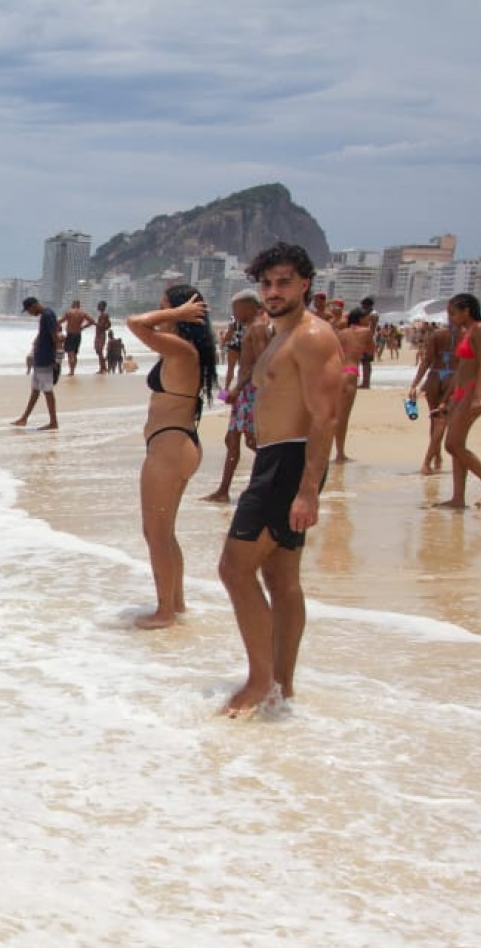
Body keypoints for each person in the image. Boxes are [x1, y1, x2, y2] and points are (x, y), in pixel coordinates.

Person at [217, 242, 340, 716]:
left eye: (284, 281)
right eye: (267, 283)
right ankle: (281, 686)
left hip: (290, 464)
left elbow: (324, 417)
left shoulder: (311, 336)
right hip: (274, 457)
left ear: (305, 283)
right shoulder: (276, 335)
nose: (273, 291)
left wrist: (308, 491)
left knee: (234, 567)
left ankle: (259, 681)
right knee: (281, 576)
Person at [127, 286, 215, 629]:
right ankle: (175, 604)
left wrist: (175, 315)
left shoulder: (181, 348)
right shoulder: (184, 350)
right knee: (165, 532)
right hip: (175, 444)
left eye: (162, 307)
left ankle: (165, 611)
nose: (157, 312)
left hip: (170, 446)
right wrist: (174, 315)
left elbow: (135, 323)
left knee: (155, 533)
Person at [438, 293, 481, 510]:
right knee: (458, 447)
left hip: (475, 389)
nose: (451, 317)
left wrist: (477, 395)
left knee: (452, 444)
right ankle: (458, 498)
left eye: (453, 313)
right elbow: (462, 368)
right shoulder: (466, 332)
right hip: (461, 391)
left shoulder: (480, 329)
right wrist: (447, 398)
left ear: (466, 310)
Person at [204, 290, 268, 503]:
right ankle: (224, 490)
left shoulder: (257, 328)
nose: (234, 313)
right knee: (233, 439)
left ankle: (271, 479)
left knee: (249, 440)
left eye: (236, 309)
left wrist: (238, 388)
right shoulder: (250, 327)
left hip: (250, 391)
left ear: (249, 307)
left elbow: (261, 362)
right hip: (245, 390)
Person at [406, 322, 455, 473]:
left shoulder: (437, 334)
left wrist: (414, 384)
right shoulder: (467, 335)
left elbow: (426, 361)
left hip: (435, 376)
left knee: (435, 420)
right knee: (442, 420)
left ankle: (437, 455)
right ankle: (427, 462)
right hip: (453, 377)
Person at [12, 296, 60, 430]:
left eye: (28, 310)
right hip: (40, 358)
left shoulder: (48, 315)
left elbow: (55, 337)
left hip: (46, 358)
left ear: (34, 306)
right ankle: (24, 418)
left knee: (47, 391)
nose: (29, 313)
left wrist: (56, 359)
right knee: (35, 390)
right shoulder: (45, 315)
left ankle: (53, 422)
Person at [333, 309, 374, 462]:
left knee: (333, 415)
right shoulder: (366, 332)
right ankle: (340, 454)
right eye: (367, 319)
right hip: (351, 372)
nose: (369, 321)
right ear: (361, 319)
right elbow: (370, 351)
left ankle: (331, 452)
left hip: (337, 372)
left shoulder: (341, 333)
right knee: (343, 417)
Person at [60, 300, 93, 377]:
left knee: (70, 354)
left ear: (73, 305)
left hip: (70, 334)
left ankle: (71, 372)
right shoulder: (83, 313)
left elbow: (60, 321)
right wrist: (83, 327)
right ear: (79, 305)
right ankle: (73, 371)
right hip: (78, 335)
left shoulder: (69, 312)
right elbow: (92, 321)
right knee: (74, 354)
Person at [357, 297, 378, 387]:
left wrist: (368, 339)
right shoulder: (371, 313)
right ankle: (365, 382)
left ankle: (366, 383)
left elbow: (372, 329)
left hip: (368, 339)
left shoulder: (372, 314)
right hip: (367, 339)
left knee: (366, 362)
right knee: (364, 361)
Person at [94, 301, 114, 373]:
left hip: (100, 335)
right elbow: (109, 324)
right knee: (98, 351)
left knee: (99, 351)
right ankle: (103, 367)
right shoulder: (103, 315)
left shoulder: (104, 315)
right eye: (98, 305)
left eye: (99, 305)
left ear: (103, 307)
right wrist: (104, 328)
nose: (98, 307)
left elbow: (102, 325)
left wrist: (95, 323)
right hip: (99, 334)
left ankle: (103, 368)